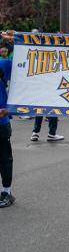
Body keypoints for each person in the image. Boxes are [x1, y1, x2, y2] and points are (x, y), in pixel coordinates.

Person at [0, 31, 14, 208]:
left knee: (4, 159)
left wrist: (15, 41)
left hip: (1, 122)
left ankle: (7, 192)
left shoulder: (3, 64)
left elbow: (26, 68)